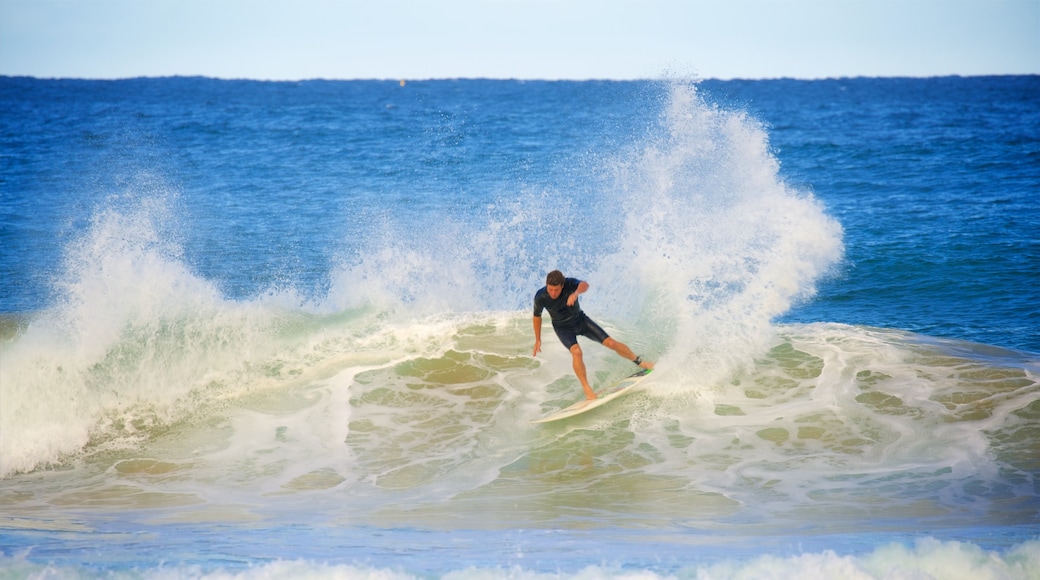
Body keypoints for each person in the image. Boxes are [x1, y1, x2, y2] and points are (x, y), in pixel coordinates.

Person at [532, 270, 654, 400]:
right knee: (576, 352)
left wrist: (576, 293)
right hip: (563, 328)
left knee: (611, 343)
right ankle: (588, 391)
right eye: (550, 289)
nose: (553, 293)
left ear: (562, 285)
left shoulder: (569, 284)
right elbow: (536, 316)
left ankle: (640, 362)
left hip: (581, 320)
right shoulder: (541, 296)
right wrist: (538, 339)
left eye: (556, 290)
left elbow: (585, 285)